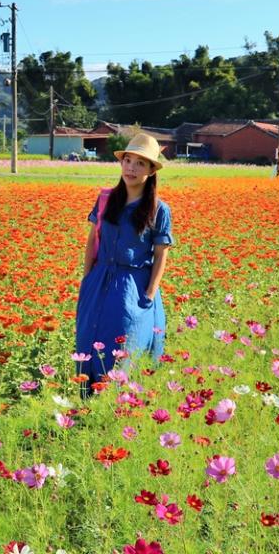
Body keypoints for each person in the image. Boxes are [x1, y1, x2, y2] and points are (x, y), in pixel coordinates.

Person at [74, 133, 173, 396]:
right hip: (99, 280)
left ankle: (114, 407)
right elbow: (90, 243)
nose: (131, 167)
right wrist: (87, 281)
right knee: (87, 342)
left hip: (132, 286)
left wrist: (149, 294)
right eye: (127, 160)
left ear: (152, 170)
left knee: (122, 346)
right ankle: (85, 405)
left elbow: (161, 255)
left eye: (140, 163)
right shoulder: (106, 199)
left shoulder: (159, 210)